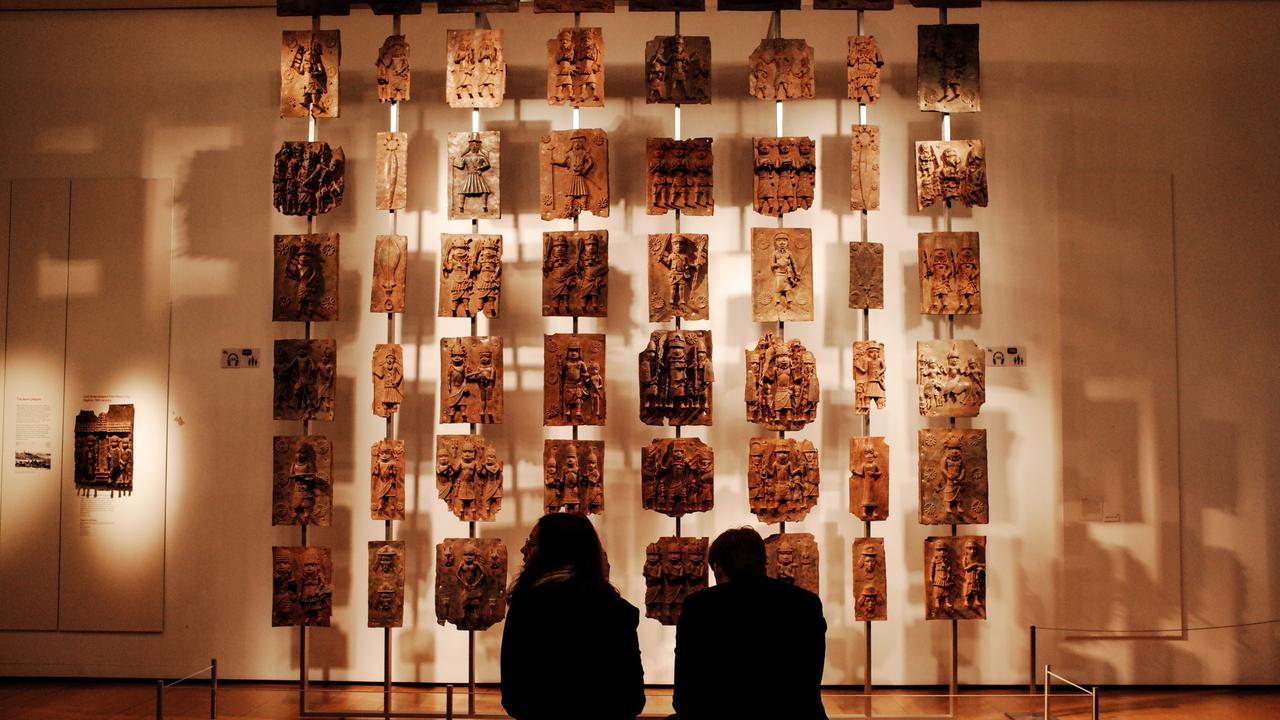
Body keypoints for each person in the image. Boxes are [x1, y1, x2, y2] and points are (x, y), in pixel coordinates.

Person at [673, 526, 827, 720]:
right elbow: (810, 682)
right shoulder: (806, 603)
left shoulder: (699, 606)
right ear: (764, 564)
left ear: (718, 570)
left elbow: (684, 694)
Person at [501, 513, 645, 720]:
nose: (523, 550)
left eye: (531, 543)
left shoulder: (527, 607)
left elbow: (514, 697)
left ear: (555, 550)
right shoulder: (616, 608)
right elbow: (632, 698)